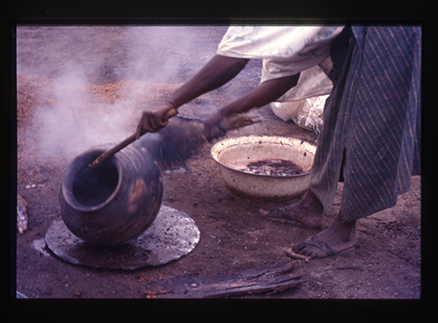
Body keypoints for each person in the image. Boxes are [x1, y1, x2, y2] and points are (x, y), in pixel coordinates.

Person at [136, 25, 421, 259]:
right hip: (360, 33)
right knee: (339, 109)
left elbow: (235, 56)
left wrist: (172, 101)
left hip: (389, 31)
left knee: (368, 118)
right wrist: (224, 112)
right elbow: (285, 75)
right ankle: (312, 206)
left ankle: (345, 230)